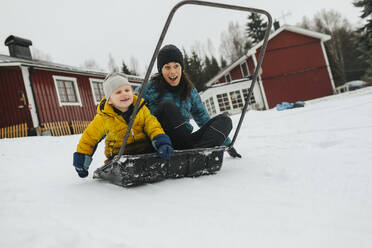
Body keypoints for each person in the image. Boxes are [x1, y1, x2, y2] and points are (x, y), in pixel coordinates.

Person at [135, 44, 241, 158]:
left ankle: (197, 153)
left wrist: (227, 144)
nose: (172, 72)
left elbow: (203, 117)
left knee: (225, 121)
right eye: (167, 67)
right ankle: (188, 154)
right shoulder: (148, 88)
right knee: (168, 106)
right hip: (161, 142)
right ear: (161, 70)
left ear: (181, 67)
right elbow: (130, 108)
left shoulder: (189, 90)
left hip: (184, 142)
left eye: (176, 66)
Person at [72, 73, 174, 178]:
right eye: (118, 92)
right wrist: (82, 159)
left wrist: (161, 142)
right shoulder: (104, 117)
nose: (124, 94)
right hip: (119, 156)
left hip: (145, 150)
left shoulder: (141, 109)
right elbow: (89, 138)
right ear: (110, 100)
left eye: (127, 90)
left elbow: (153, 127)